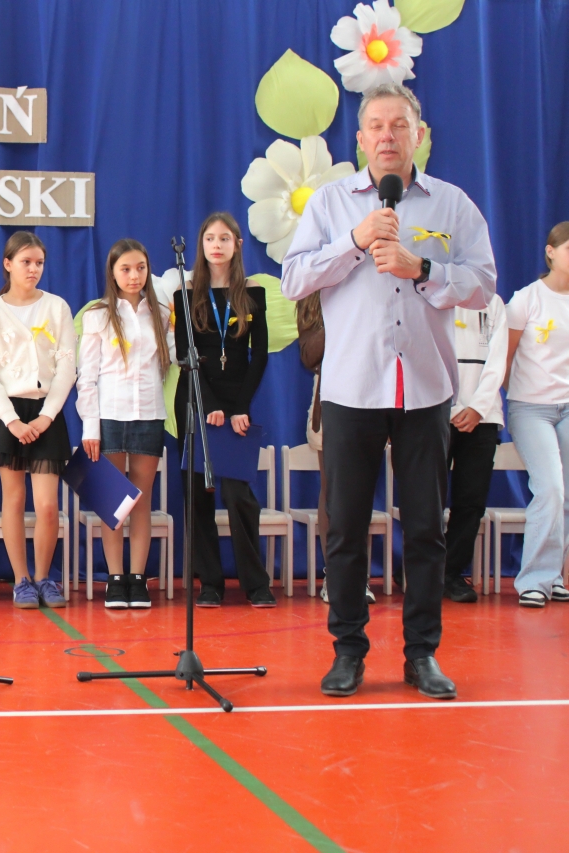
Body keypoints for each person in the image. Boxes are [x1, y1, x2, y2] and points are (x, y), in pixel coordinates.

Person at [282, 83, 497, 700]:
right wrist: (354, 241)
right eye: (375, 126)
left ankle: (421, 653)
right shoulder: (331, 203)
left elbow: (484, 284)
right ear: (359, 139)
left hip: (425, 387)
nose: (386, 136)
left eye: (398, 125)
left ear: (418, 135)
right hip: (351, 387)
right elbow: (294, 278)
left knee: (426, 528)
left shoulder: (452, 204)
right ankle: (348, 651)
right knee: (346, 529)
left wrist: (422, 268)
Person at [173, 213, 275, 608]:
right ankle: (210, 582)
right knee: (197, 494)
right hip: (195, 400)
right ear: (201, 245)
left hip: (237, 406)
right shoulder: (186, 294)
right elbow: (186, 355)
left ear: (237, 245)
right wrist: (209, 405)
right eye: (210, 238)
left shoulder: (253, 294)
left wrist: (238, 408)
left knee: (238, 495)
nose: (216, 245)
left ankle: (256, 583)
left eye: (224, 238)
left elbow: (259, 354)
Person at [0, 231, 76, 609]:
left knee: (47, 505)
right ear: (8, 264)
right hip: (8, 416)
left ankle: (44, 577)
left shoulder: (57, 307)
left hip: (46, 414)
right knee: (13, 500)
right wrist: (12, 421)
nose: (33, 269)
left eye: (39, 263)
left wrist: (47, 416)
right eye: (26, 262)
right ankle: (21, 580)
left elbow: (67, 366)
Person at [77, 239, 174, 609]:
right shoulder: (98, 315)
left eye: (140, 268)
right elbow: (87, 376)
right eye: (126, 269)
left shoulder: (161, 313)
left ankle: (138, 577)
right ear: (113, 273)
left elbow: (174, 357)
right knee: (113, 502)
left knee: (142, 500)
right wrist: (91, 426)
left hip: (149, 414)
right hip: (111, 415)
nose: (134, 276)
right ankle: (115, 578)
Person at [503, 222, 569, 608]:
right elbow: (505, 358)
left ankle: (554, 574)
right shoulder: (526, 300)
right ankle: (534, 580)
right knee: (551, 488)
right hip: (531, 408)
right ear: (550, 252)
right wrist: (515, 397)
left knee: (566, 493)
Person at [298, 294, 377, 606]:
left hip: (371, 395)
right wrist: (339, 316)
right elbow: (308, 355)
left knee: (360, 489)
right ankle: (335, 575)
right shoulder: (312, 298)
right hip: (329, 401)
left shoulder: (372, 291)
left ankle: (359, 576)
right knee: (333, 490)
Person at [442, 292, 508, 602]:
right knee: (427, 497)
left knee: (470, 500)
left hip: (484, 416)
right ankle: (422, 569)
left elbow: (498, 361)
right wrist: (452, 407)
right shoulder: (433, 295)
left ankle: (451, 573)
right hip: (437, 411)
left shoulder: (493, 303)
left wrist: (478, 408)